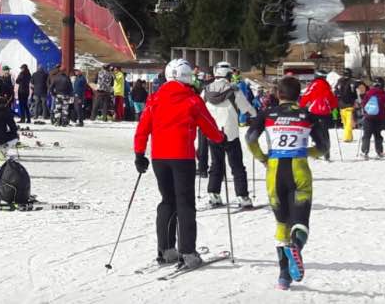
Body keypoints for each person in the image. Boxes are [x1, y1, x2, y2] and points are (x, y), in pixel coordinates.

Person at [133, 58, 224, 270]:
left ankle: (165, 249)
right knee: (185, 203)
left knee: (168, 201)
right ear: (186, 77)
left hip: (159, 158)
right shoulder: (192, 99)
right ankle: (188, 251)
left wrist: (139, 154)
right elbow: (208, 125)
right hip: (182, 157)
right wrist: (220, 137)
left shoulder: (155, 99)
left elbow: (143, 127)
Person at [245, 75, 314, 290]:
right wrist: (306, 151)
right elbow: (324, 146)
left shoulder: (267, 114)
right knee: (300, 221)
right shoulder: (307, 115)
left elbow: (249, 139)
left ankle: (284, 277)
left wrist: (263, 157)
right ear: (299, 95)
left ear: (278, 94)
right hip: (299, 171)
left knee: (282, 225)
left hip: (274, 173)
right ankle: (297, 246)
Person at [202, 62, 256, 208]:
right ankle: (242, 196)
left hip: (213, 131)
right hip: (230, 131)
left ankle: (213, 194)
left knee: (216, 163)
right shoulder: (234, 90)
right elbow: (246, 108)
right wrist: (255, 115)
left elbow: (200, 106)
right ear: (228, 74)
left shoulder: (206, 90)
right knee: (237, 165)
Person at [299, 70, 336, 160]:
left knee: (315, 132)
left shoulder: (313, 85)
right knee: (325, 132)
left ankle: (316, 152)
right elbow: (333, 101)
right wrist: (332, 110)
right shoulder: (328, 86)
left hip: (314, 112)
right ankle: (326, 153)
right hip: (326, 113)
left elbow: (305, 97)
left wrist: (302, 107)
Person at [359, 78, 385, 160]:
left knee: (366, 135)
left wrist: (365, 112)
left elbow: (363, 103)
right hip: (379, 118)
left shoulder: (369, 93)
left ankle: (364, 152)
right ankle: (379, 151)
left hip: (368, 117)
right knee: (378, 135)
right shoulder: (383, 93)